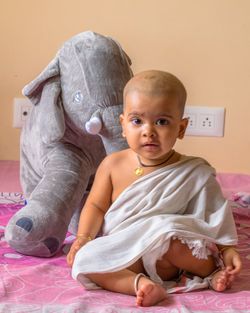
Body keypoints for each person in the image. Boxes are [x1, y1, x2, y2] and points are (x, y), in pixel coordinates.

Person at [67, 70, 242, 307]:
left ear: (181, 128)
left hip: (171, 256)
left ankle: (211, 273)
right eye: (137, 121)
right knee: (84, 260)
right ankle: (140, 285)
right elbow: (96, 206)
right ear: (123, 125)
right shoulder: (112, 165)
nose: (148, 131)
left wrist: (227, 250)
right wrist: (83, 238)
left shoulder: (194, 172)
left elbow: (214, 214)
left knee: (169, 231)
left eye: (161, 121)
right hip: (126, 252)